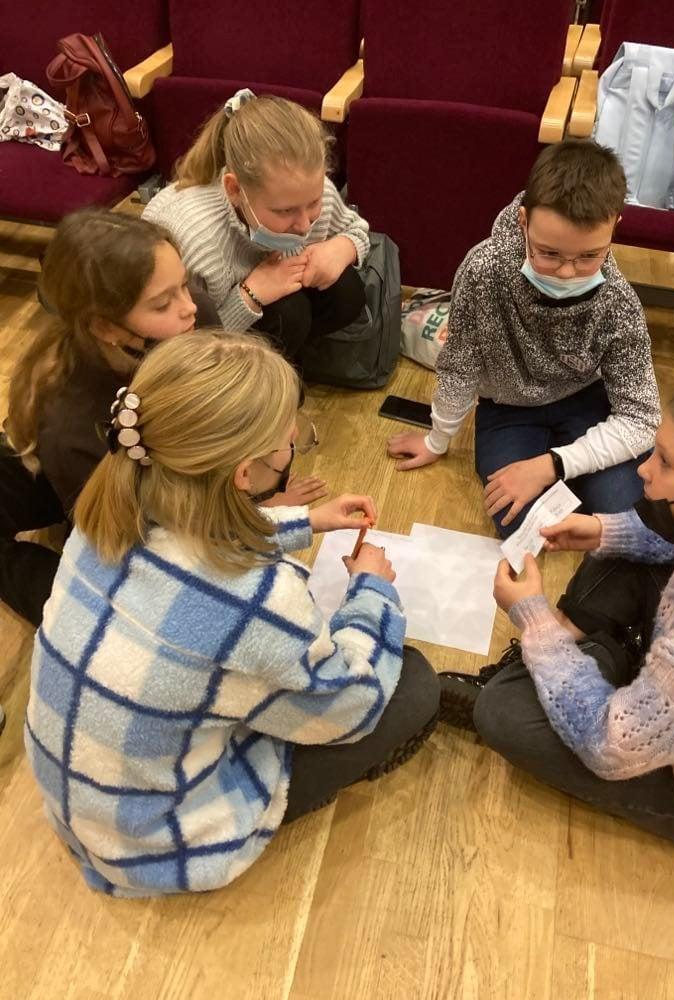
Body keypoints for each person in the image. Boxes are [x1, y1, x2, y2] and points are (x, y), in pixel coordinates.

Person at [24, 332, 439, 897]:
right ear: (245, 474)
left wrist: (306, 521)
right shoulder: (259, 596)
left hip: (82, 805)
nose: (294, 448)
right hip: (160, 844)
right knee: (411, 685)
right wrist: (372, 593)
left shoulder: (108, 516)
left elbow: (200, 540)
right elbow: (349, 710)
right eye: (290, 442)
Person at [440, 381, 674, 859]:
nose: (644, 469)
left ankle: (586, 662)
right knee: (619, 547)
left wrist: (535, 621)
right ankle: (592, 661)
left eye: (666, 462)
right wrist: (604, 529)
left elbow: (610, 745)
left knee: (502, 714)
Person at [1, 209, 325, 628]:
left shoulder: (192, 317)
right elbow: (124, 537)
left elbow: (229, 414)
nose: (189, 306)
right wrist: (253, 518)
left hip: (104, 474)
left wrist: (257, 497)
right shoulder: (72, 424)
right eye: (162, 303)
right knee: (111, 611)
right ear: (106, 327)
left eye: (184, 284)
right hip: (61, 485)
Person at [387, 139, 660, 538]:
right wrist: (437, 439)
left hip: (585, 401)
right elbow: (460, 365)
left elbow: (641, 418)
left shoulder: (618, 301)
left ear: (615, 226)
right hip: (508, 409)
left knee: (624, 504)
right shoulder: (483, 270)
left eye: (588, 256)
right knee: (517, 519)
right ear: (523, 221)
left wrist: (552, 465)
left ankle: (568, 476)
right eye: (549, 253)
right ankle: (569, 482)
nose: (566, 272)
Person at [143, 90, 369, 362]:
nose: (304, 225)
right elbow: (184, 347)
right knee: (290, 313)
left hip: (271, 299)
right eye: (284, 211)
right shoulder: (194, 240)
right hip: (197, 340)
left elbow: (357, 230)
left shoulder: (303, 189)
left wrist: (342, 248)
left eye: (314, 202)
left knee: (346, 291)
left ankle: (288, 355)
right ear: (235, 190)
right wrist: (249, 296)